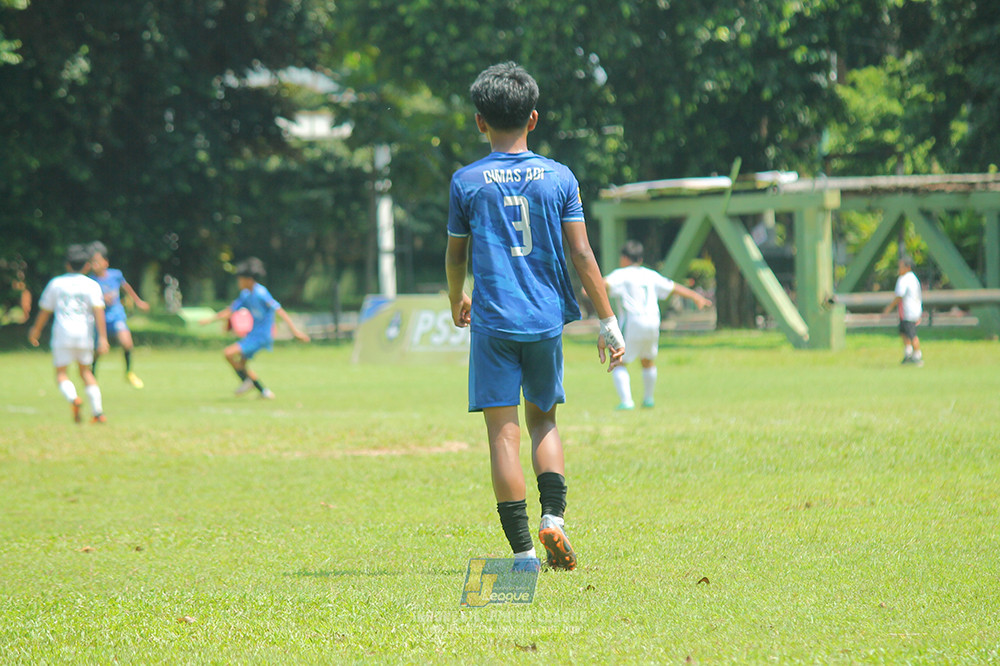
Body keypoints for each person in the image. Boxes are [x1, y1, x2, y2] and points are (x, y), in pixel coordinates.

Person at [445, 62, 625, 572]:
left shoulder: (467, 182)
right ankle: (555, 519)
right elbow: (583, 256)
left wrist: (456, 297)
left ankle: (522, 554)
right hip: (545, 320)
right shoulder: (559, 177)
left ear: (480, 121)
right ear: (534, 117)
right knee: (543, 419)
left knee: (502, 434)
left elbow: (457, 256)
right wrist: (608, 322)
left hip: (493, 321)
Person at [605, 240, 713, 410]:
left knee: (618, 361)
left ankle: (626, 401)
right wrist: (695, 296)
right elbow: (672, 287)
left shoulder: (621, 274)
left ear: (624, 258)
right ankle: (648, 399)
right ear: (640, 259)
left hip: (633, 321)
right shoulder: (650, 274)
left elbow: (604, 284)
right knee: (648, 360)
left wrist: (588, 288)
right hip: (653, 321)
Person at [199, 257, 311, 398]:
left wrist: (295, 332)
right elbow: (230, 310)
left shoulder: (261, 293)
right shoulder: (246, 295)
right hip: (253, 335)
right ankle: (264, 392)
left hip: (261, 336)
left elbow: (279, 310)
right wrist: (210, 320)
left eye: (241, 279)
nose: (238, 282)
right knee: (242, 365)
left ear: (249, 280)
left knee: (228, 353)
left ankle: (247, 382)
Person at [27, 244, 110, 423]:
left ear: (67, 264)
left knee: (61, 374)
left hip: (63, 334)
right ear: (87, 266)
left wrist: (36, 330)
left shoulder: (57, 283)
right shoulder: (92, 285)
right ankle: (97, 412)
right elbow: (99, 312)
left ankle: (73, 399)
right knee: (86, 372)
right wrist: (102, 338)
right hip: (84, 335)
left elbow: (45, 310)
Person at [88, 241, 150, 388]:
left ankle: (129, 372)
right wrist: (102, 299)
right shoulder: (90, 280)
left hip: (116, 316)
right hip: (100, 319)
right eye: (92, 262)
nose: (94, 264)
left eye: (97, 261)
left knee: (127, 343)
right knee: (98, 351)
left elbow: (125, 286)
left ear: (106, 262)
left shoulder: (116, 275)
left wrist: (138, 301)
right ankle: (92, 376)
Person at [882, 256, 923, 366]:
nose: (899, 269)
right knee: (904, 332)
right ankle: (908, 353)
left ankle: (917, 356)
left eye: (901, 266)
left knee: (911, 334)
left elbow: (899, 296)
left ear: (907, 267)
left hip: (907, 311)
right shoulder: (914, 279)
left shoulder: (903, 279)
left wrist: (889, 307)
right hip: (914, 310)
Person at [0, 255, 32, 325]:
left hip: (22, 291)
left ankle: (25, 317)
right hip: (17, 291)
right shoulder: (16, 272)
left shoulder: (21, 271)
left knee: (25, 303)